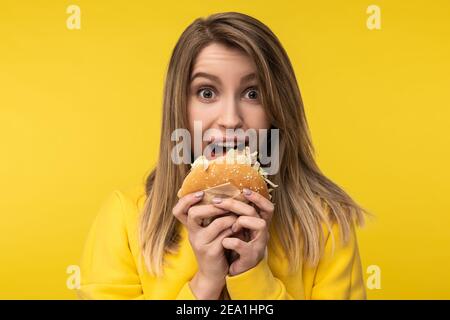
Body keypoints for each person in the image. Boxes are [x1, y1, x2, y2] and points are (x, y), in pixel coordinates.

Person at [77, 12, 367, 300]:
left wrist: (254, 278)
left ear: (278, 109)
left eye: (253, 94)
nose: (230, 119)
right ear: (180, 107)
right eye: (206, 93)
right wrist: (204, 284)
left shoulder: (326, 222)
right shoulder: (126, 219)